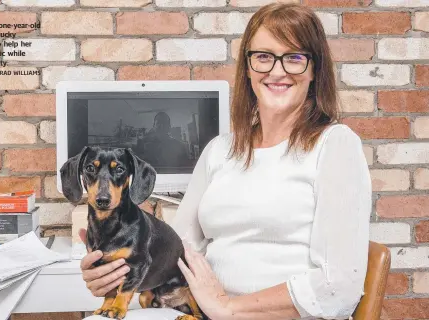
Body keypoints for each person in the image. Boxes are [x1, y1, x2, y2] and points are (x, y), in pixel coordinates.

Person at [80, 3, 371, 319]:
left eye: (295, 57)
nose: (277, 70)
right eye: (263, 56)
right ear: (247, 67)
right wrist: (112, 272)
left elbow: (338, 286)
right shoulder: (221, 149)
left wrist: (228, 307)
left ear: (314, 69)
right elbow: (179, 250)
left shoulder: (336, 144)